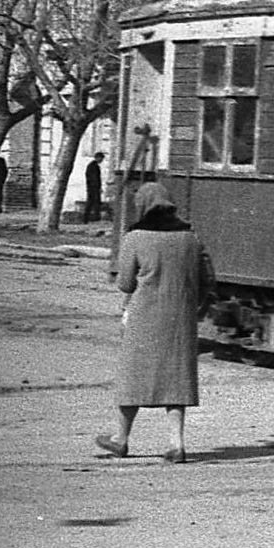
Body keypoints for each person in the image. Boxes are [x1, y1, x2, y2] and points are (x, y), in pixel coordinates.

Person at [102, 184, 212, 462]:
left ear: (142, 206)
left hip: (144, 317)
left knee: (133, 378)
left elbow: (125, 284)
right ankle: (177, 445)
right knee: (176, 381)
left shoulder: (135, 237)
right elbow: (208, 279)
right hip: (181, 320)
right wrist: (194, 305)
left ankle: (120, 439)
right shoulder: (191, 238)